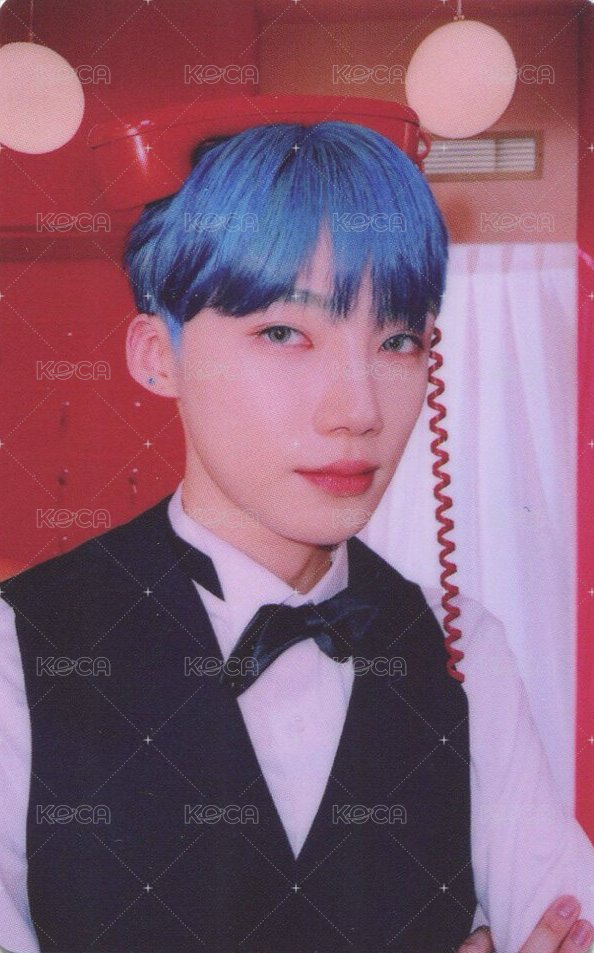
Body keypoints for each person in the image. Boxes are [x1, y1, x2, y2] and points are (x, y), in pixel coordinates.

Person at [1, 116, 594, 953]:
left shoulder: (463, 648)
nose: (357, 410)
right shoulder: (18, 648)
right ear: (157, 355)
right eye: (284, 333)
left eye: (398, 339)